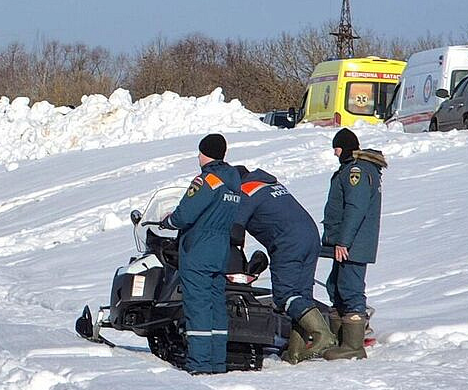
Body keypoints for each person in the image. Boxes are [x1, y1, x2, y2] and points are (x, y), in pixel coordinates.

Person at [160, 134, 245, 375]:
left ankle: (199, 363)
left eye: (200, 152)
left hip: (198, 250)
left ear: (206, 152)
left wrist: (169, 221)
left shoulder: (207, 180)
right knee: (216, 306)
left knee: (197, 306)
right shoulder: (233, 180)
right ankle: (217, 362)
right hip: (220, 250)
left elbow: (185, 214)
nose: (198, 156)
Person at [234, 163, 335, 363]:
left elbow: (234, 228)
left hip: (287, 242)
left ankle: (323, 335)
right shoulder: (269, 184)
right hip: (310, 237)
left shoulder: (245, 190)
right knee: (302, 295)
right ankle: (295, 351)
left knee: (285, 296)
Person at [321, 128, 386, 361]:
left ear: (344, 147)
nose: (335, 153)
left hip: (352, 244)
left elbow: (355, 209)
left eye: (336, 148)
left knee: (350, 289)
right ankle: (341, 340)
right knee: (335, 287)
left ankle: (353, 345)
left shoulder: (356, 172)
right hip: (348, 243)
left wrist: (343, 241)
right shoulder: (357, 170)